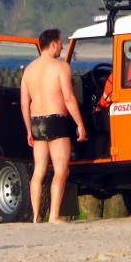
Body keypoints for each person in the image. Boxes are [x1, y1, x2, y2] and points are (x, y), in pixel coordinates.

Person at [21, 28, 87, 223]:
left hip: (37, 122)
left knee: (39, 171)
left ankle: (35, 216)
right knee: (60, 170)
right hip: (56, 121)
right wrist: (80, 124)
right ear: (52, 44)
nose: (62, 46)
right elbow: (68, 98)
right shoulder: (61, 67)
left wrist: (28, 130)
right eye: (60, 43)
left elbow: (25, 104)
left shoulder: (29, 70)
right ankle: (54, 215)